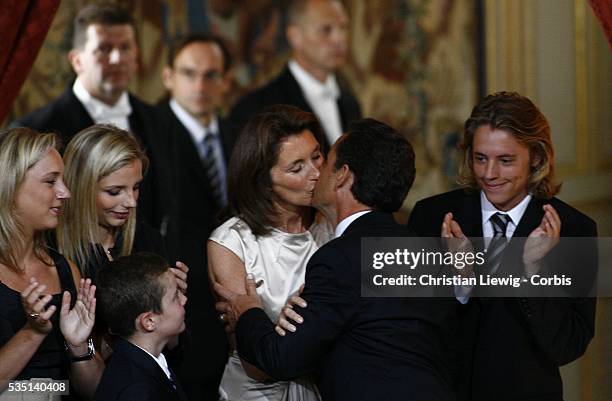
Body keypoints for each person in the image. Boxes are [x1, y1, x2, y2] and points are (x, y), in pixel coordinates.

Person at [214, 119, 456, 401]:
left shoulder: (339, 257)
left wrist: (249, 312)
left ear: (342, 175)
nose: (317, 172)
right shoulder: (427, 250)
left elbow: (282, 359)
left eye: (323, 159)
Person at [407, 91, 597, 401]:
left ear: (536, 157)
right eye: (480, 158)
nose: (489, 173)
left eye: (505, 161)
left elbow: (568, 346)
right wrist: (460, 282)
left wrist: (532, 273)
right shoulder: (431, 217)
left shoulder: (576, 230)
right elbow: (410, 329)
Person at [12, 3, 174, 234]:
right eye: (105, 48)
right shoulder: (37, 128)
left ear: (136, 55)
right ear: (76, 60)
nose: (117, 58)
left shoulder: (162, 121)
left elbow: (173, 206)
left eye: (125, 47)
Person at [208, 105, 333, 400]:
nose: (316, 173)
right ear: (264, 181)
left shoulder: (335, 227)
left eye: (317, 156)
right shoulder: (231, 241)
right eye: (297, 167)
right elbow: (256, 361)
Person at [159, 34, 236, 400]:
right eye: (190, 74)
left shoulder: (238, 134)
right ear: (168, 77)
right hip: (182, 295)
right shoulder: (150, 136)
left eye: (211, 75)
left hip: (232, 296)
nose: (200, 86)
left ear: (226, 81)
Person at [0, 128, 101, 399]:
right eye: (50, 181)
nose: (65, 192)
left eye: (63, 180)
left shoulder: (66, 269)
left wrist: (79, 347)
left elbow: (93, 389)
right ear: (11, 185)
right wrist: (33, 332)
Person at [230, 0, 361, 152]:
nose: (339, 39)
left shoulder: (350, 103)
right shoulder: (257, 109)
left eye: (344, 28)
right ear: (294, 36)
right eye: (326, 30)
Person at [94, 252, 188, 401]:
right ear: (149, 321)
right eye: (175, 297)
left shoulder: (145, 363)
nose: (184, 300)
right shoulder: (136, 391)